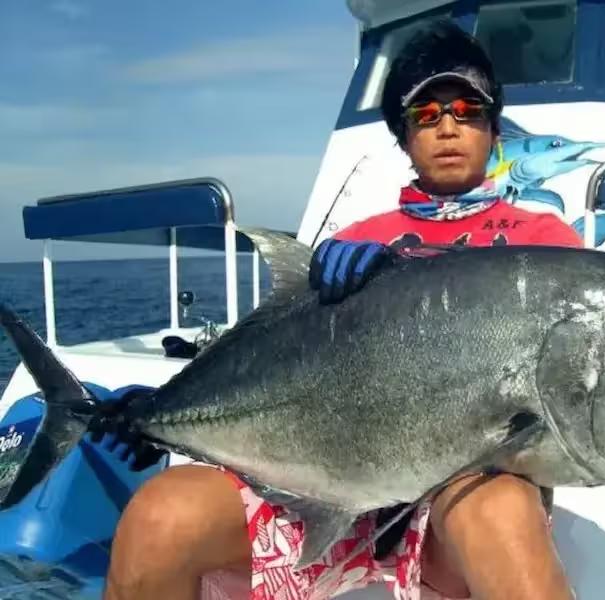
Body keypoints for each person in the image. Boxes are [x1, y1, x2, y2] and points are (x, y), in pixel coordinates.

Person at [103, 21, 579, 600]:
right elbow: (278, 361)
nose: (448, 128)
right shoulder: (355, 240)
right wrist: (162, 414)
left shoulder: (545, 245)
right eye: (425, 115)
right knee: (159, 518)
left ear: (493, 125)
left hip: (458, 508)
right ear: (403, 138)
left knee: (502, 508)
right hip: (328, 493)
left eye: (466, 110)